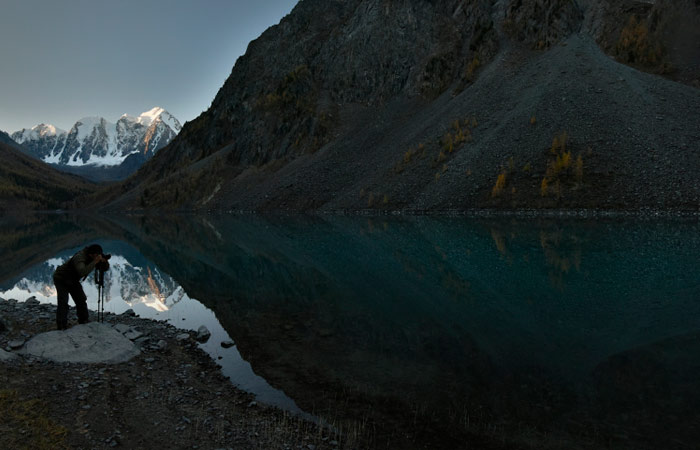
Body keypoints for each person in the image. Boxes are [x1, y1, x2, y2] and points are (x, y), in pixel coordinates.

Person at [53, 244, 107, 330]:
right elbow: (82, 272)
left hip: (73, 279)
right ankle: (61, 325)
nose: (98, 257)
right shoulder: (79, 258)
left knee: (81, 299)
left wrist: (104, 262)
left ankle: (84, 321)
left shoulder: (92, 256)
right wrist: (95, 262)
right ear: (91, 254)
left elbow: (104, 268)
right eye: (97, 255)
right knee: (63, 302)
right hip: (61, 278)